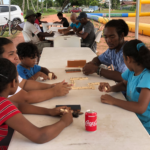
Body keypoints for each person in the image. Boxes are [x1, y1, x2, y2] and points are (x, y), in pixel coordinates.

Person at [0, 58, 73, 149]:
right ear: (13, 83)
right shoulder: (3, 105)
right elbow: (40, 136)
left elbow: (18, 106)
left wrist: (49, 111)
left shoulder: (4, 102)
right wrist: (64, 122)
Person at [99, 39, 150, 134]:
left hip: (144, 126)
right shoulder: (132, 71)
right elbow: (124, 84)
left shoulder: (147, 76)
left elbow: (141, 108)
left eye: (123, 58)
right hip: (132, 115)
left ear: (129, 59)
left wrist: (114, 101)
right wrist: (110, 88)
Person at [0, 38, 71, 104]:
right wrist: (54, 92)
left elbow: (25, 83)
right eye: (11, 54)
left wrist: (51, 86)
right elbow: (26, 98)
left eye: (16, 53)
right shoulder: (3, 79)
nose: (17, 57)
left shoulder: (10, 71)